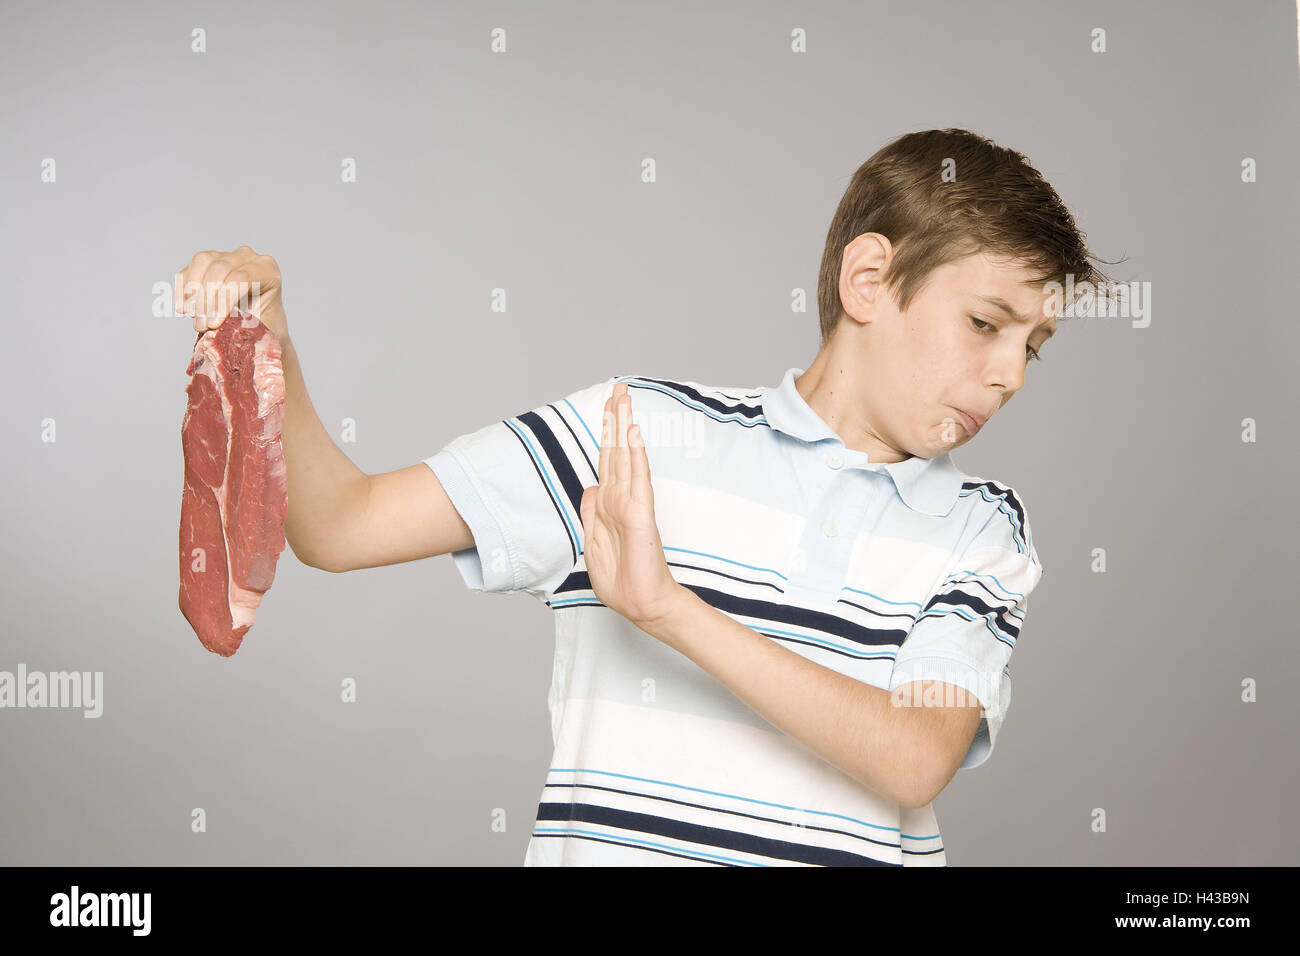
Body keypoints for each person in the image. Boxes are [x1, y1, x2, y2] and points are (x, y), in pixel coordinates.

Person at [176, 127, 1112, 866]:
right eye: (987, 324)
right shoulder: (632, 433)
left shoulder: (982, 528)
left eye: (1031, 348)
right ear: (868, 280)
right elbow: (341, 526)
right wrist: (273, 349)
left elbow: (916, 759)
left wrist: (668, 611)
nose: (1010, 377)